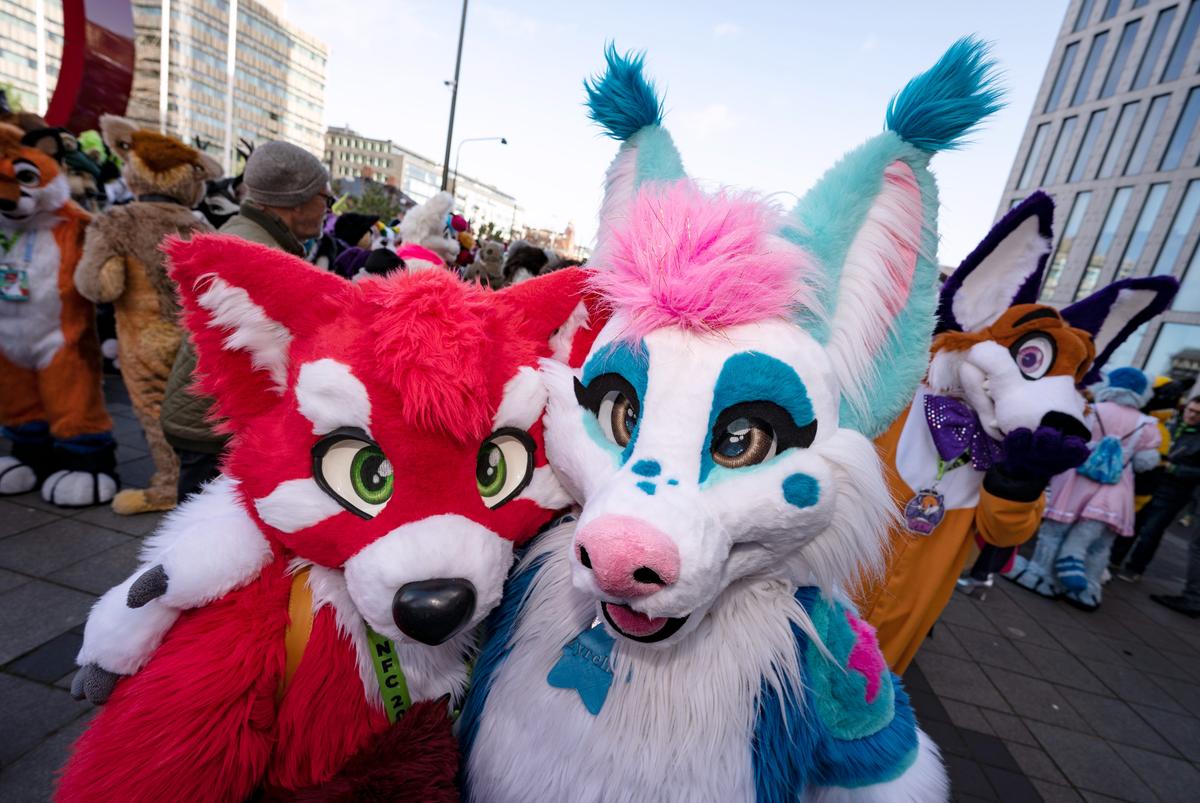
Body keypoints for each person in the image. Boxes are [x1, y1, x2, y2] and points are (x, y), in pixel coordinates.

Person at [161, 141, 332, 499]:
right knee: (209, 542)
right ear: (297, 199)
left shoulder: (249, 237)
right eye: (325, 199)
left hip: (208, 415)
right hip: (214, 427)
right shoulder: (256, 253)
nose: (327, 210)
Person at [1113, 395, 1200, 582]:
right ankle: (1115, 559)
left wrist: (1175, 468)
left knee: (1151, 531)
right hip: (1150, 482)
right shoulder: (1170, 425)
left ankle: (1135, 568)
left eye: (1197, 413)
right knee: (1132, 522)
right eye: (1190, 410)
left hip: (1174, 491)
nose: (1192, 415)